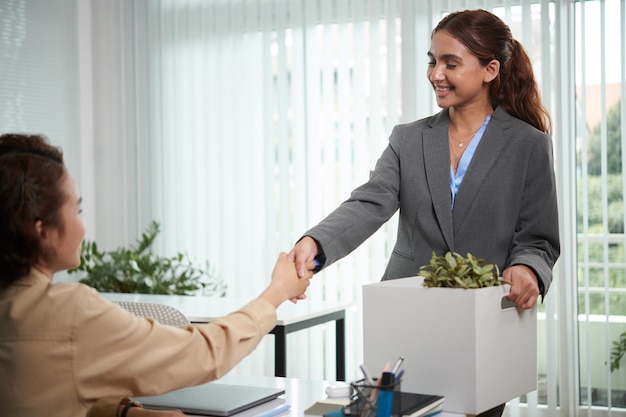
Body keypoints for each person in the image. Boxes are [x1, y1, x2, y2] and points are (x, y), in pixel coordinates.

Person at [288, 9, 560, 417]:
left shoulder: (528, 145)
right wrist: (315, 242)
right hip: (406, 321)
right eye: (433, 60)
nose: (436, 73)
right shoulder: (408, 138)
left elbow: (538, 238)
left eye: (451, 63)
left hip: (483, 326)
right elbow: (370, 202)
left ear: (490, 70)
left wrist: (528, 269)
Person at [0, 133, 315, 417]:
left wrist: (127, 413)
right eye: (77, 210)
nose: (83, 226)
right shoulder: (67, 313)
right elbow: (202, 353)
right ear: (42, 229)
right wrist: (278, 291)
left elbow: (46, 388)